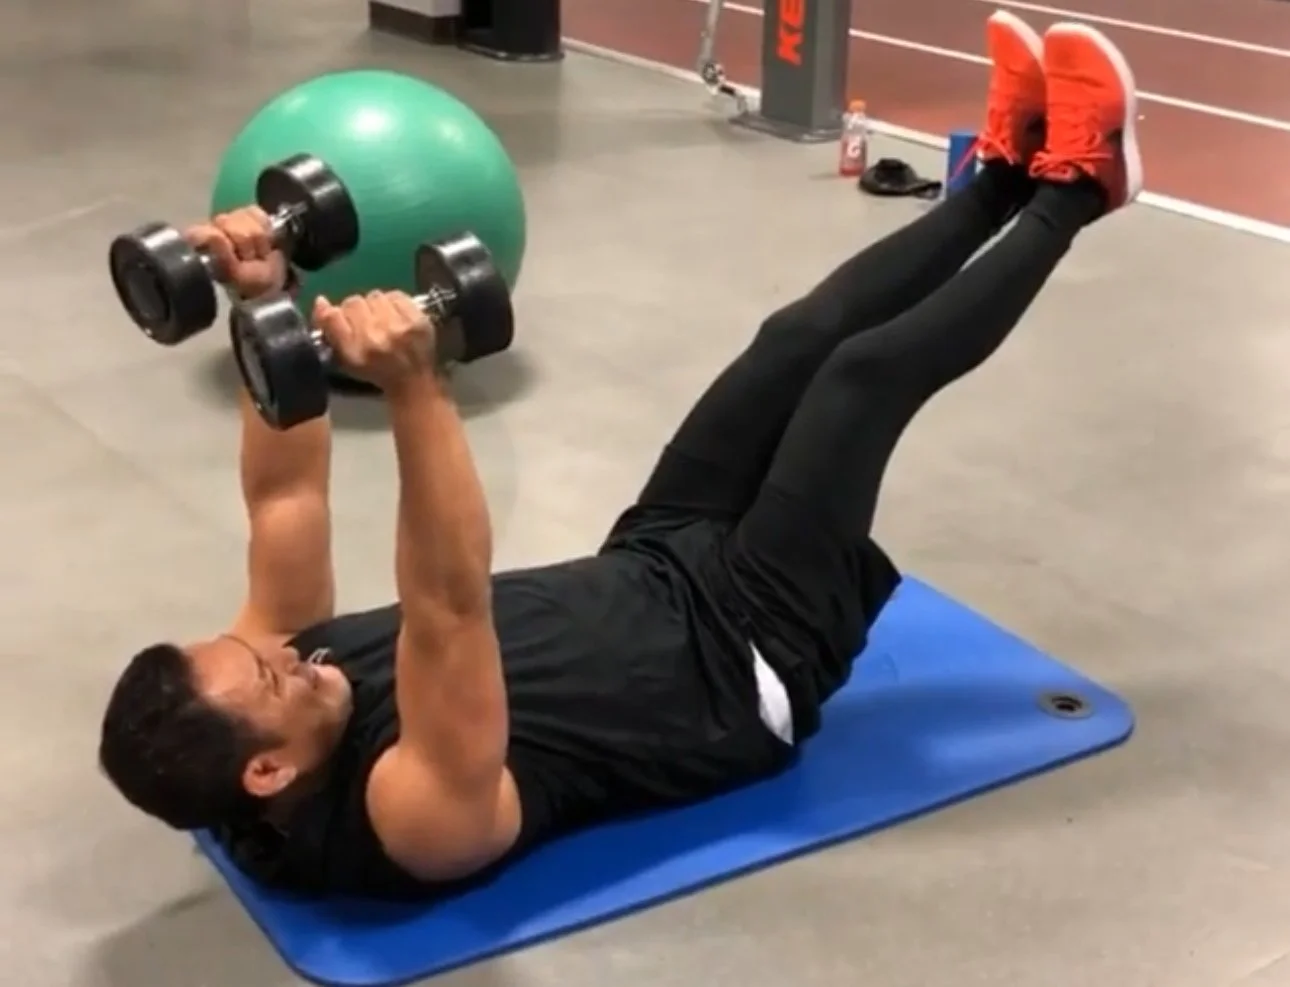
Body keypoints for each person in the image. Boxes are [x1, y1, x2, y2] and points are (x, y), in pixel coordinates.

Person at [99, 14, 1142, 899]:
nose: (295, 652)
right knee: (858, 380)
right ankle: (1080, 191)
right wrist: (420, 386)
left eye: (261, 651)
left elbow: (284, 497)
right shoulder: (411, 817)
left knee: (792, 340)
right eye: (277, 677)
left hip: (647, 562)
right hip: (746, 657)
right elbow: (449, 603)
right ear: (271, 772)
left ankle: (1003, 175)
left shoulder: (261, 704)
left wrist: (265, 297)